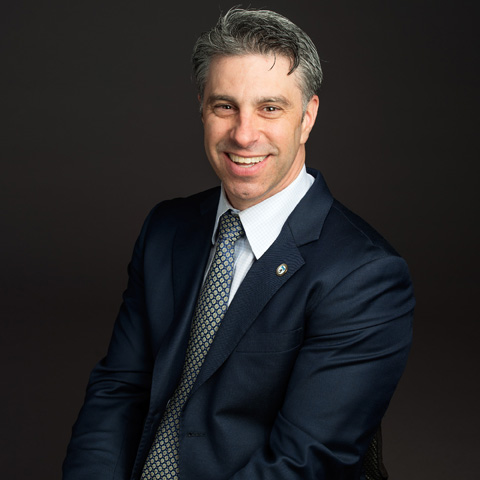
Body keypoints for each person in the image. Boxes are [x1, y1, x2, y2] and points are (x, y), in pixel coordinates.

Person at [63, 7, 415, 480]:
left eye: (270, 108)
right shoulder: (167, 229)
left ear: (307, 116)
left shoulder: (365, 275)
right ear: (202, 109)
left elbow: (304, 463)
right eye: (224, 106)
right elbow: (119, 389)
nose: (243, 134)